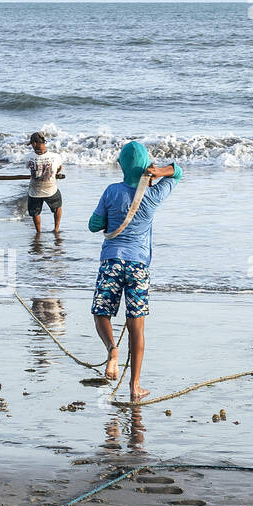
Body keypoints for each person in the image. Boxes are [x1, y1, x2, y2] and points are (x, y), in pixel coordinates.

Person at [89, 141, 182, 403]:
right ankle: (135, 386)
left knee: (101, 313)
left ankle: (112, 351)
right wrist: (160, 172)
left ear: (121, 165)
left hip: (111, 260)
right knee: (137, 328)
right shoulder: (153, 195)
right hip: (138, 265)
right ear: (145, 166)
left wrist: (109, 219)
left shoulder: (111, 191)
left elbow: (94, 225)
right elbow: (179, 172)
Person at [26, 131, 65, 235]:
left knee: (35, 213)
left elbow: (29, 169)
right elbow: (59, 168)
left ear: (34, 144)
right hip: (50, 190)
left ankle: (38, 232)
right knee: (58, 207)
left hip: (35, 191)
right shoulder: (55, 157)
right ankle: (56, 229)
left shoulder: (29, 157)